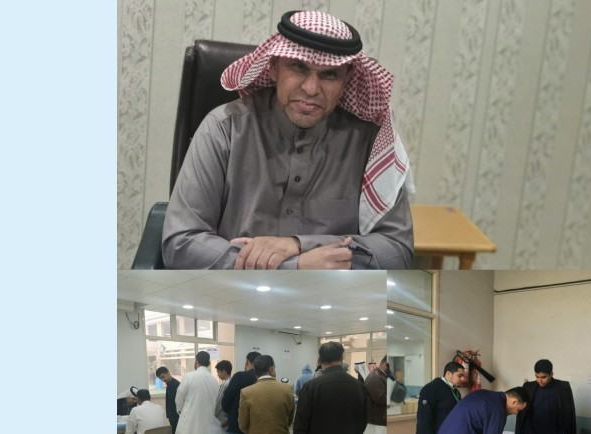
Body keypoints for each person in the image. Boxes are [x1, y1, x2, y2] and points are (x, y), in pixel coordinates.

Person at [161, 9, 414, 270]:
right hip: (232, 292)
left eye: (329, 74)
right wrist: (295, 266)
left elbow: (397, 250)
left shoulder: (369, 143)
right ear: (273, 67)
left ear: (347, 79)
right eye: (298, 67)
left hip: (333, 295)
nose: (311, 88)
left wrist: (299, 244)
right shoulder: (224, 129)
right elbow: (181, 244)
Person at [514, 359, 576, 434]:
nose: (540, 380)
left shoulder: (563, 387)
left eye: (543, 377)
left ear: (551, 374)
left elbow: (567, 415)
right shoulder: (528, 387)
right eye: (537, 376)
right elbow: (525, 415)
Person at [359, 357, 389, 434]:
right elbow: (380, 398)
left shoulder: (381, 376)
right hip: (375, 421)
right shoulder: (375, 377)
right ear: (385, 364)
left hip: (379, 420)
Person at [155, 366, 180, 434]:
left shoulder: (176, 385)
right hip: (172, 419)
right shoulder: (170, 385)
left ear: (168, 372)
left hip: (178, 419)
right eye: (161, 378)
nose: (163, 380)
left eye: (163, 377)